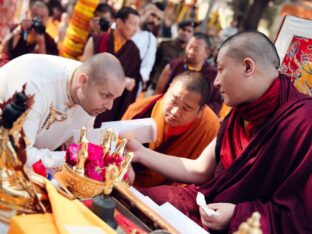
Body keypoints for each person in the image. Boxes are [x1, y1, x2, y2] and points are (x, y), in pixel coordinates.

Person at [125, 31, 312, 233]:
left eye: (221, 69)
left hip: (248, 225)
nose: (215, 82)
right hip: (208, 207)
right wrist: (141, 153)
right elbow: (201, 169)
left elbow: (301, 216)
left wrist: (237, 214)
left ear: (248, 67)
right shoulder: (241, 111)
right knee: (138, 201)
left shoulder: (303, 122)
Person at [0, 53, 125, 169]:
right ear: (82, 81)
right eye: (106, 96)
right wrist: (72, 157)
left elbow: (82, 146)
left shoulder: (88, 94)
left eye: (114, 98)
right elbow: (17, 155)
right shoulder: (33, 87)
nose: (110, 106)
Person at [122, 71, 219, 187]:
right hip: (129, 184)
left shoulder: (210, 129)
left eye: (186, 108)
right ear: (168, 90)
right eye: (173, 101)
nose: (175, 112)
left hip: (169, 197)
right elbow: (116, 148)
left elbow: (201, 177)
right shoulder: (139, 111)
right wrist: (126, 166)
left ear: (200, 111)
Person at [82, 7, 141, 126]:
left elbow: (134, 82)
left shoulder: (134, 51)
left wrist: (130, 83)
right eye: (133, 24)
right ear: (119, 22)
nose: (136, 30)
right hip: (90, 100)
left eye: (137, 25)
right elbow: (84, 69)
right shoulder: (97, 40)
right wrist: (123, 81)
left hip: (112, 106)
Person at [154, 32, 222, 115]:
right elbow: (158, 93)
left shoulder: (213, 74)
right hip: (169, 112)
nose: (190, 51)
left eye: (196, 49)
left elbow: (216, 103)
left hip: (198, 119)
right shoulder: (173, 66)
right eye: (189, 47)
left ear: (207, 53)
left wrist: (194, 111)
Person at [148, 20, 196, 91]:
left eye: (189, 31)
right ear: (178, 30)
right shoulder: (165, 45)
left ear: (192, 34)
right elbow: (153, 64)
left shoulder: (190, 53)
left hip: (175, 90)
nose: (185, 33)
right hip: (156, 85)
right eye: (183, 30)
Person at [132, 2, 165, 87]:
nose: (155, 21)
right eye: (153, 15)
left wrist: (136, 79)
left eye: (158, 19)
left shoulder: (152, 40)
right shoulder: (126, 26)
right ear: (143, 12)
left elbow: (147, 67)